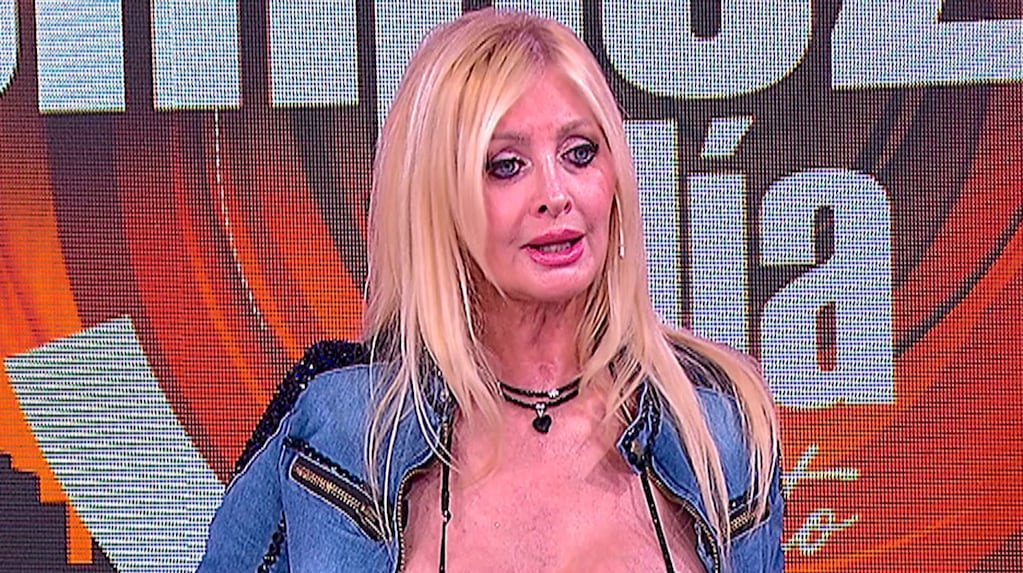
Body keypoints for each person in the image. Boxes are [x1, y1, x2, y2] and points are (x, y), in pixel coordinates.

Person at [199, 8, 783, 573]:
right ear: (438, 200)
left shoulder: (715, 438)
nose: (555, 194)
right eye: (506, 165)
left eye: (580, 154)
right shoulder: (341, 431)